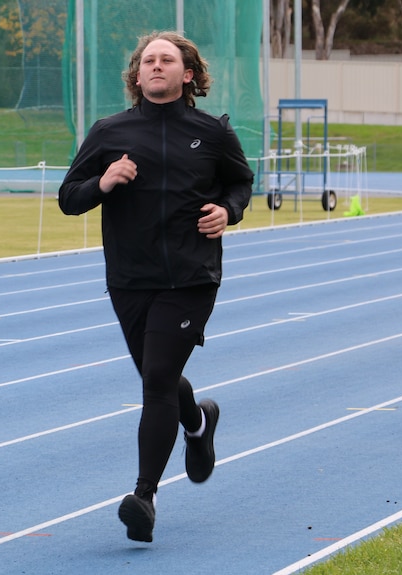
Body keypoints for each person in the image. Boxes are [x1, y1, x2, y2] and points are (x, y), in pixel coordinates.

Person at [58, 31, 254, 543]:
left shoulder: (212, 134)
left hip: (191, 277)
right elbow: (68, 198)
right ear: (137, 74)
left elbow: (240, 183)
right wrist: (103, 182)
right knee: (158, 378)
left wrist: (227, 211)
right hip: (130, 279)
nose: (157, 66)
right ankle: (198, 422)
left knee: (157, 379)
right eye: (149, 60)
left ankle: (144, 496)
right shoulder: (109, 133)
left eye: (168, 60)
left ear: (188, 74)